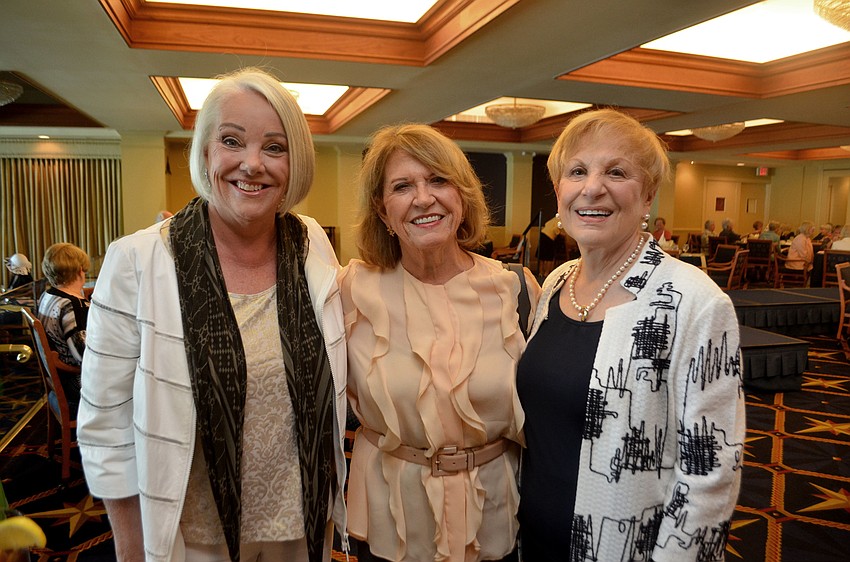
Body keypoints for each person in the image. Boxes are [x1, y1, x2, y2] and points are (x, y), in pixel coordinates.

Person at [77, 68, 348, 562]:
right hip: (194, 535)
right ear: (205, 152)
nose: (252, 164)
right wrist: (132, 549)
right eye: (231, 141)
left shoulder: (311, 244)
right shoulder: (137, 260)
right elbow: (105, 424)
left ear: (295, 163)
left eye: (274, 147)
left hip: (302, 524)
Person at [516, 109, 745, 561]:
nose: (592, 187)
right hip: (534, 537)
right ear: (560, 192)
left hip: (624, 548)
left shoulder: (694, 301)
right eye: (577, 171)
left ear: (648, 195)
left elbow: (710, 474)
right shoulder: (558, 283)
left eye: (616, 172)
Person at [339, 123, 540, 562]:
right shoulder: (351, 291)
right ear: (382, 211)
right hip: (392, 523)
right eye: (402, 186)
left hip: (495, 519)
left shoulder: (516, 289)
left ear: (462, 197)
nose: (423, 198)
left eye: (438, 180)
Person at [37, 243, 91, 407]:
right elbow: (86, 357)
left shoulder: (47, 295)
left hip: (59, 377)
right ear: (79, 270)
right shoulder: (73, 307)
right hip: (75, 383)